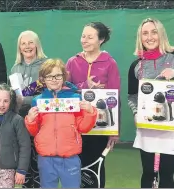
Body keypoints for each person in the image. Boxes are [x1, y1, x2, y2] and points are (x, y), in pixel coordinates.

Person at [25, 59, 97, 188]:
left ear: (64, 76)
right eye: (49, 76)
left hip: (70, 156)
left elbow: (83, 127)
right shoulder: (38, 101)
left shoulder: (75, 99)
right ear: (43, 79)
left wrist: (90, 113)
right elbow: (34, 131)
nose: (54, 79)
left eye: (58, 75)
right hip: (46, 157)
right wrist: (30, 120)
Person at [127, 18, 174, 188]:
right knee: (148, 173)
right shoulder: (136, 65)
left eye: (153, 32)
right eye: (145, 33)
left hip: (173, 126)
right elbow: (132, 96)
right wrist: (136, 113)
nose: (149, 37)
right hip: (148, 127)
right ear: (140, 37)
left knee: (166, 173)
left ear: (161, 33)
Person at [65, 22, 121, 188]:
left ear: (101, 40)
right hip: (75, 126)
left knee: (96, 169)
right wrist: (84, 86)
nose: (85, 40)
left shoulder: (110, 63)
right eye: (83, 36)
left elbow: (115, 98)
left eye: (90, 37)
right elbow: (65, 91)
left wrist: (114, 131)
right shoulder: (72, 62)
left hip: (100, 127)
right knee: (75, 168)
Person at [10, 30, 47, 188]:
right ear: (19, 46)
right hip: (21, 122)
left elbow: (48, 95)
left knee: (40, 163)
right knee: (24, 162)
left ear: (37, 44)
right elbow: (14, 96)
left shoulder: (46, 65)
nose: (27, 46)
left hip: (41, 122)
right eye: (23, 43)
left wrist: (26, 99)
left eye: (30, 42)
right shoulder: (15, 68)